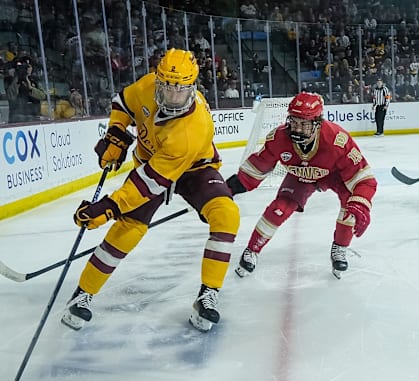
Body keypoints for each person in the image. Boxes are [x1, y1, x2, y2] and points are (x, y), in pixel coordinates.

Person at [62, 49, 240, 333]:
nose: (171, 95)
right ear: (158, 80)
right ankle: (83, 293)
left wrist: (109, 206)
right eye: (166, 86)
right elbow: (122, 102)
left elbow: (149, 184)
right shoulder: (148, 85)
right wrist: (117, 134)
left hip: (194, 168)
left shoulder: (191, 130)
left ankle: (209, 294)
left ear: (192, 87)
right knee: (128, 228)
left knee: (226, 215)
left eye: (180, 90)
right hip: (151, 163)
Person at [225, 92, 377, 279]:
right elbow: (257, 167)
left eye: (304, 124)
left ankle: (340, 247)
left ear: (318, 122)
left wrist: (361, 203)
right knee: (279, 209)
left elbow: (364, 178)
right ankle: (252, 250)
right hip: (300, 176)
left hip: (334, 175)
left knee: (351, 208)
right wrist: (229, 189)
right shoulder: (279, 138)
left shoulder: (338, 140)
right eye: (294, 122)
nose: (297, 129)